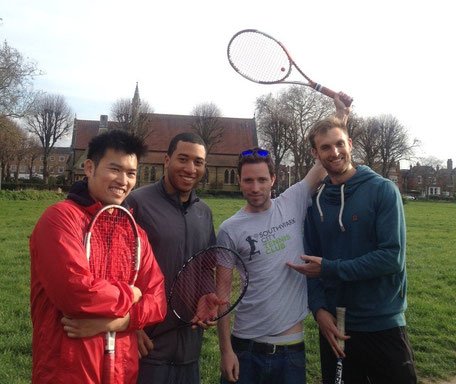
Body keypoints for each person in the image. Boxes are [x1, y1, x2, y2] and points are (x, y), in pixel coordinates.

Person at [215, 96, 348, 384]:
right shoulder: (229, 229)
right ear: (239, 181)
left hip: (291, 351)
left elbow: (324, 159)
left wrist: (340, 114)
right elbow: (221, 298)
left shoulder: (293, 201)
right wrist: (225, 350)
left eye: (262, 180)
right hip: (245, 347)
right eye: (248, 180)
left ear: (273, 180)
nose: (255, 187)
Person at [287, 111, 418, 383]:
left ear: (350, 144)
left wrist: (331, 268)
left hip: (383, 323)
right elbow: (310, 264)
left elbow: (391, 258)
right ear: (316, 153)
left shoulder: (382, 190)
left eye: (339, 144)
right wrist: (319, 310)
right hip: (337, 328)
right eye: (325, 147)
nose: (334, 152)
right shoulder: (316, 201)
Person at [30, 129, 167, 384]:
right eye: (115, 169)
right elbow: (75, 293)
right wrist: (131, 294)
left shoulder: (136, 233)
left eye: (131, 173)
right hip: (66, 372)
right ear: (89, 167)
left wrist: (116, 323)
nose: (123, 181)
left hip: (122, 374)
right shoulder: (59, 219)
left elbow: (158, 302)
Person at [126, 132, 216, 384]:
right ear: (166, 160)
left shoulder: (204, 213)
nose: (190, 168)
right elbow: (117, 272)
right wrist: (131, 326)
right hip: (149, 350)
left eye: (198, 162)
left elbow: (206, 265)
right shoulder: (137, 203)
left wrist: (206, 295)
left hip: (190, 350)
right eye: (183, 159)